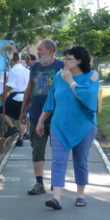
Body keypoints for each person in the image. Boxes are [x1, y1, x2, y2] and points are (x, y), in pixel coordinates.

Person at [36, 45, 99, 209]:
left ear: (79, 61)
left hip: (83, 126)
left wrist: (70, 80)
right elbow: (51, 100)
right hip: (59, 125)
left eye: (68, 59)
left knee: (80, 161)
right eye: (64, 58)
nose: (65, 61)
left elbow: (86, 96)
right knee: (58, 161)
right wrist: (41, 121)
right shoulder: (59, 76)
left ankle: (80, 195)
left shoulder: (92, 76)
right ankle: (56, 198)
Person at [19, 39, 64, 195]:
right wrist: (23, 111)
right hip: (36, 115)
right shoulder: (35, 67)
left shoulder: (61, 66)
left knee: (58, 150)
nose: (37, 53)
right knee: (37, 150)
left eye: (40, 50)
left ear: (50, 50)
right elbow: (29, 89)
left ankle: (57, 182)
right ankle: (39, 183)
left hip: (56, 117)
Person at [0, 54, 30, 146]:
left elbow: (10, 85)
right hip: (25, 96)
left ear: (13, 60)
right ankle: (20, 140)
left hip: (16, 95)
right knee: (20, 118)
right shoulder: (26, 70)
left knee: (1, 111)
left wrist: (3, 95)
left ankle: (12, 127)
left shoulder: (13, 70)